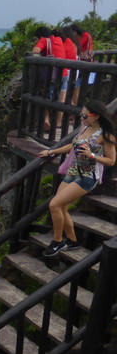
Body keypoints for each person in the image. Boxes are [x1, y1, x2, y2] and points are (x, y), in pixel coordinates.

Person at [40, 100, 116, 256]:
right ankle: (73, 240)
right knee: (61, 207)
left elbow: (111, 160)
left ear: (95, 116)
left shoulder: (105, 135)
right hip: (73, 172)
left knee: (54, 205)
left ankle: (57, 241)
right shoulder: (84, 128)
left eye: (84, 115)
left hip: (88, 176)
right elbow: (72, 146)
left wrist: (92, 155)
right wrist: (51, 152)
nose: (81, 118)